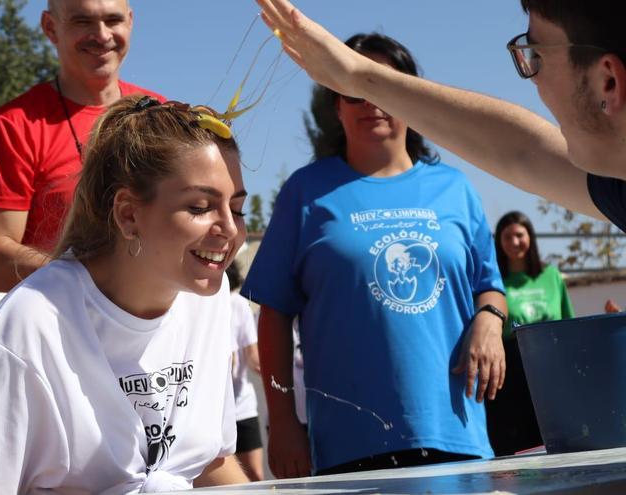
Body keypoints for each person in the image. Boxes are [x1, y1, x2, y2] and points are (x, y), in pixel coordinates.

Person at [0, 95, 250, 494]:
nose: (230, 229)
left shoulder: (208, 298)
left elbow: (208, 464)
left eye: (237, 209)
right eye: (200, 206)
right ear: (128, 214)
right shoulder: (24, 331)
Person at [240, 33, 507, 479]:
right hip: (349, 446)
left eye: (385, 84)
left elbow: (490, 288)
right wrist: (283, 421)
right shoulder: (305, 193)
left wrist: (491, 320)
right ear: (336, 105)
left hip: (457, 435)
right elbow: (274, 315)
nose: (372, 102)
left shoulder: (456, 189)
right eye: (355, 89)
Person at [254, 0, 626, 233]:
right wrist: (358, 77)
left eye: (537, 57)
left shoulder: (451, 189)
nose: (533, 79)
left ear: (608, 81)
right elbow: (522, 152)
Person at [0, 0, 165, 292]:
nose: (101, 35)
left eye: (113, 20)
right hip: (60, 327)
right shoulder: (16, 125)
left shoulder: (161, 115)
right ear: (50, 27)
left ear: (130, 21)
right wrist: (93, 273)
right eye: (82, 22)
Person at [486, 211, 574, 456]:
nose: (514, 242)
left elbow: (567, 322)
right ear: (499, 242)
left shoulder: (551, 276)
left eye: (519, 235)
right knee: (516, 443)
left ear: (530, 237)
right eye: (507, 237)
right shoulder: (494, 282)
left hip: (550, 366)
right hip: (510, 370)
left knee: (554, 438)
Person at [226, 260, 265, 482]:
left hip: (241, 407)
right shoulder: (192, 302)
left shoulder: (237, 303)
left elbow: (253, 357)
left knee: (255, 476)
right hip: (209, 412)